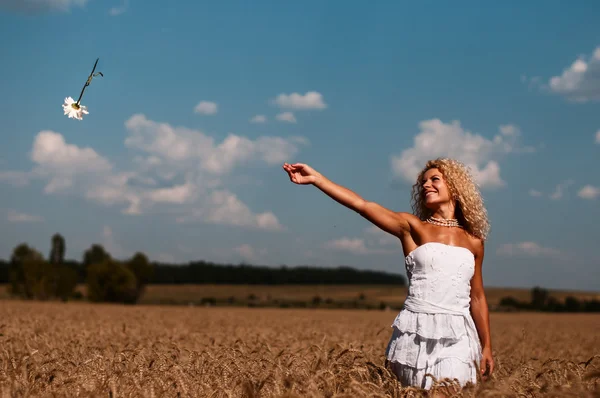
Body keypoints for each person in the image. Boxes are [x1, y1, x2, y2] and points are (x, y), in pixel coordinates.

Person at [282, 158, 494, 392]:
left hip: (458, 336)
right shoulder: (412, 227)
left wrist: (486, 347)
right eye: (423, 182)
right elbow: (361, 205)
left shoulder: (475, 242)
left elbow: (477, 297)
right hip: (416, 333)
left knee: (445, 392)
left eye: (435, 179)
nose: (426, 185)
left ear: (455, 186)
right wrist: (316, 179)